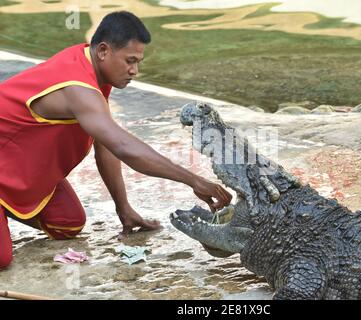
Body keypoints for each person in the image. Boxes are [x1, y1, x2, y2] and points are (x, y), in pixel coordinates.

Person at [0, 11, 232, 269]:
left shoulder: (92, 69)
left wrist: (123, 208)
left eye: (138, 62)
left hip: (16, 167)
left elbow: (107, 146)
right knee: (2, 258)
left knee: (67, 223)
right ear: (103, 51)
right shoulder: (78, 87)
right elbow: (123, 146)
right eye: (130, 61)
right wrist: (193, 180)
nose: (135, 71)